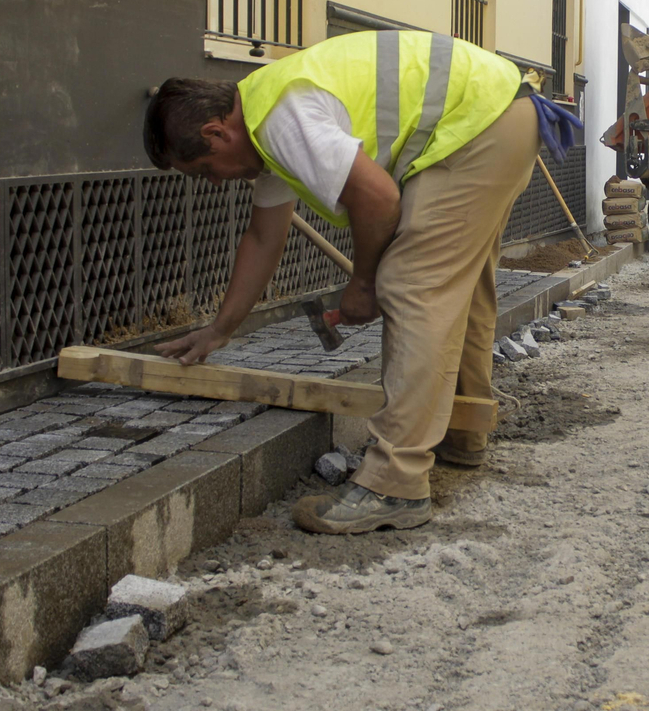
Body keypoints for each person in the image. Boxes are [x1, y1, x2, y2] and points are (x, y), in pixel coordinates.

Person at [142, 30, 578, 535]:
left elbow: (378, 199)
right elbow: (264, 237)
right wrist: (220, 330)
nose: (215, 183)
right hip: (499, 114)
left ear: (217, 134)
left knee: (412, 285)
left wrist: (366, 283)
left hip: (480, 123)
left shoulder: (285, 120)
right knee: (460, 283)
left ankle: (393, 484)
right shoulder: (266, 120)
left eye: (203, 172)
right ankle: (462, 428)